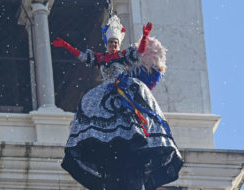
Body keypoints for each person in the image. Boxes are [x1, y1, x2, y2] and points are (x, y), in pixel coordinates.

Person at [53, 15, 183, 190]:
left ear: (119, 43)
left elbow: (139, 52)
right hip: (107, 90)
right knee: (95, 108)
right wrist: (67, 46)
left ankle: (135, 135)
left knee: (131, 111)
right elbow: (82, 56)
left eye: (116, 42)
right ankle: (105, 140)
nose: (113, 45)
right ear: (107, 44)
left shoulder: (124, 56)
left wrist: (144, 36)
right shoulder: (100, 58)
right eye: (111, 42)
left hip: (123, 87)